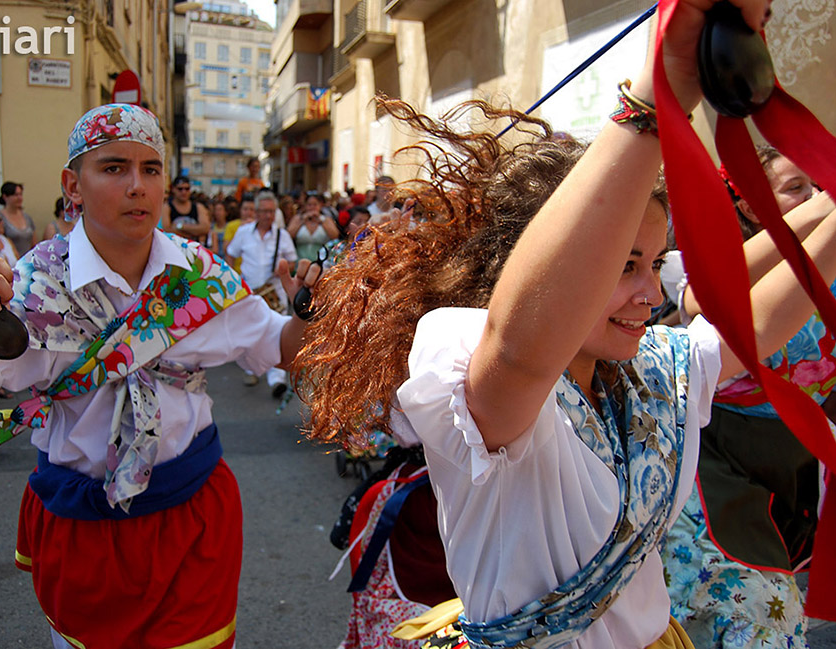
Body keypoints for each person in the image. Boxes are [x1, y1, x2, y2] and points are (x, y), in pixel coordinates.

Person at [293, 2, 836, 647]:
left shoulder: (646, 372)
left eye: (654, 263)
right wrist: (654, 95)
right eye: (623, 264)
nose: (648, 292)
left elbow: (747, 330)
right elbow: (526, 343)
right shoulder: (485, 380)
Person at [0, 103, 320, 649]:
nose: (137, 186)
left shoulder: (202, 277)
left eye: (150, 169)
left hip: (191, 524)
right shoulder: (29, 292)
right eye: (114, 168)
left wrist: (311, 313)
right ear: (73, 184)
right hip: (84, 533)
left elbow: (285, 349)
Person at [662, 151, 833, 648]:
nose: (816, 195)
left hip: (800, 446)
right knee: (750, 601)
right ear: (754, 205)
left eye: (822, 185)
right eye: (796, 187)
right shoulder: (706, 258)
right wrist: (815, 217)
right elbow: (702, 301)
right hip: (719, 454)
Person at [225, 190, 297, 396]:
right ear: (256, 212)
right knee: (250, 331)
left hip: (274, 291)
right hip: (251, 293)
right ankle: (251, 370)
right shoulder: (243, 232)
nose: (268, 216)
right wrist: (234, 277)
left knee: (277, 333)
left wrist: (283, 267)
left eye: (271, 212)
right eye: (264, 211)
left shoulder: (282, 235)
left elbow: (292, 259)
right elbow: (231, 254)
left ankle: (276, 380)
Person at [287, 191, 339, 261]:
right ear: (305, 206)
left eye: (315, 205)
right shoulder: (298, 218)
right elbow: (289, 235)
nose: (312, 207)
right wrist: (302, 221)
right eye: (309, 205)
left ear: (320, 205)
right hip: (300, 259)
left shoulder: (326, 219)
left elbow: (335, 236)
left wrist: (321, 222)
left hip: (321, 260)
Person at [162, 176, 210, 241]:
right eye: (180, 189)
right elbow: (167, 230)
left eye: (187, 189)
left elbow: (205, 228)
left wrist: (180, 226)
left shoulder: (198, 207)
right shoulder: (167, 207)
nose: (184, 192)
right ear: (173, 189)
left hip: (193, 248)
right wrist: (194, 231)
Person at [0, 182, 38, 258]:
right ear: (5, 197)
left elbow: (34, 243)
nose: (20, 198)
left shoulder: (27, 217)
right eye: (16, 195)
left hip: (28, 262)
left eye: (20, 194)